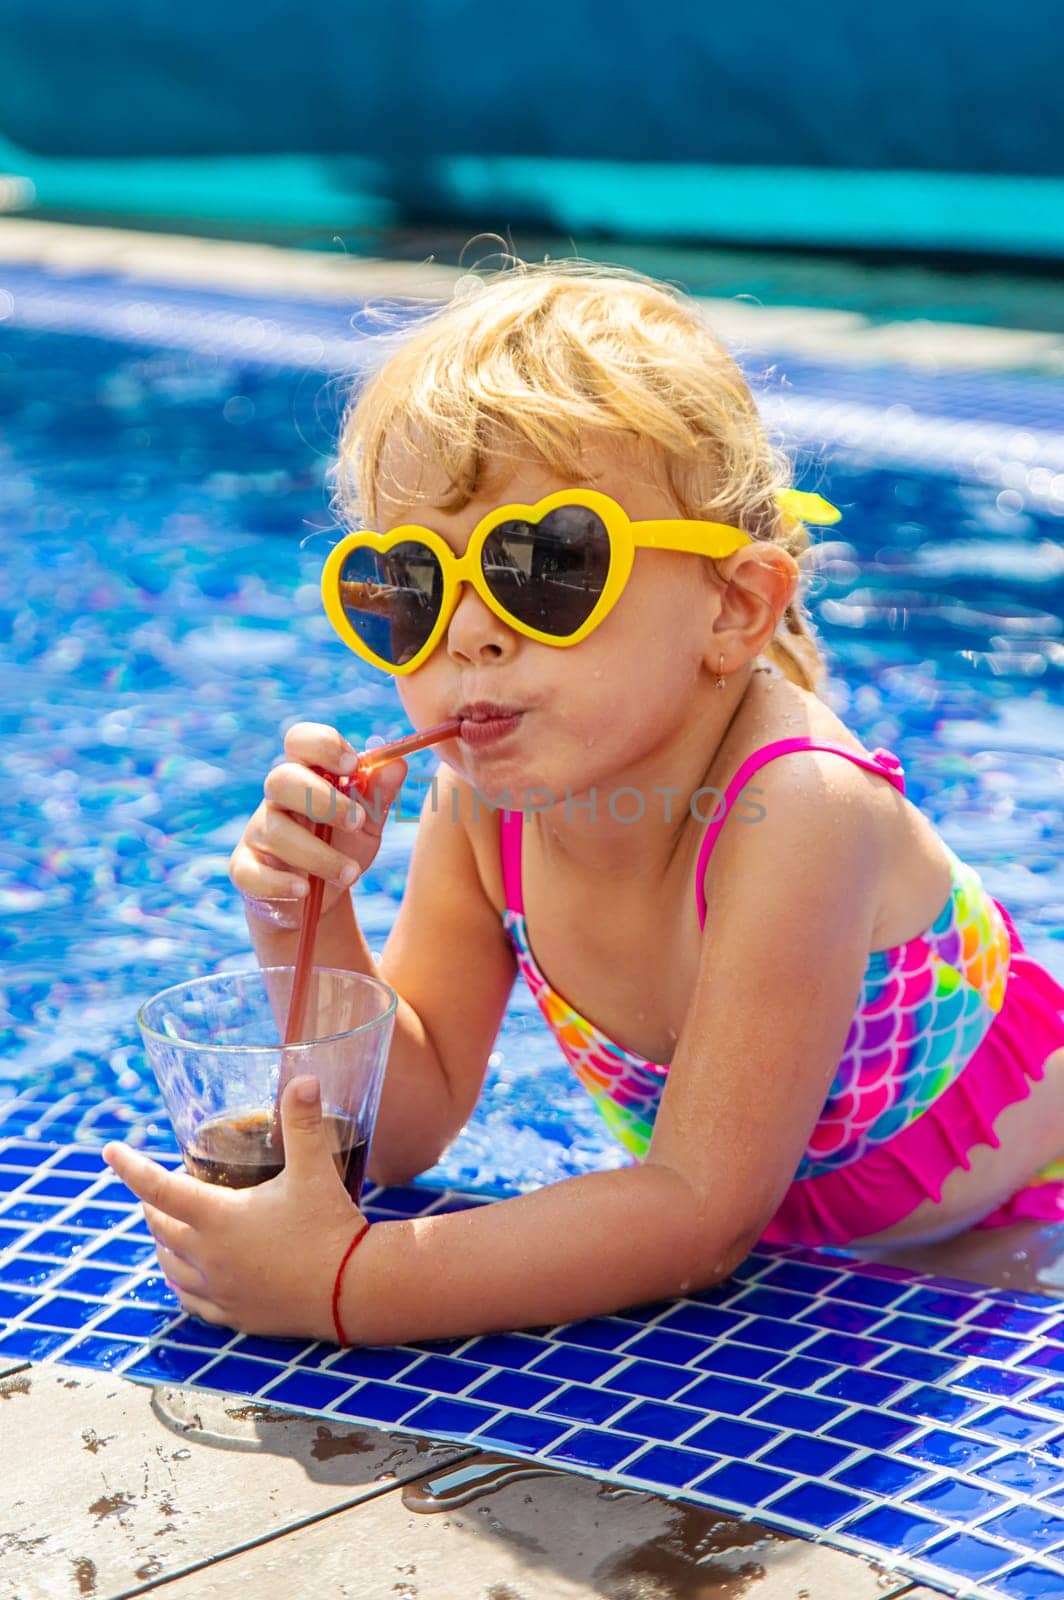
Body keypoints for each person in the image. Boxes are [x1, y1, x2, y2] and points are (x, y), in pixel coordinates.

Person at [104, 262, 1064, 1347]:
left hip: (994, 1229)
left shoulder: (797, 806)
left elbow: (697, 1213)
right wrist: (307, 914)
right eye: (409, 586)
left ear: (734, 608)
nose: (466, 631)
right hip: (777, 1242)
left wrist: (351, 1285)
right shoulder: (489, 808)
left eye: (544, 564)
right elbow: (410, 1122)